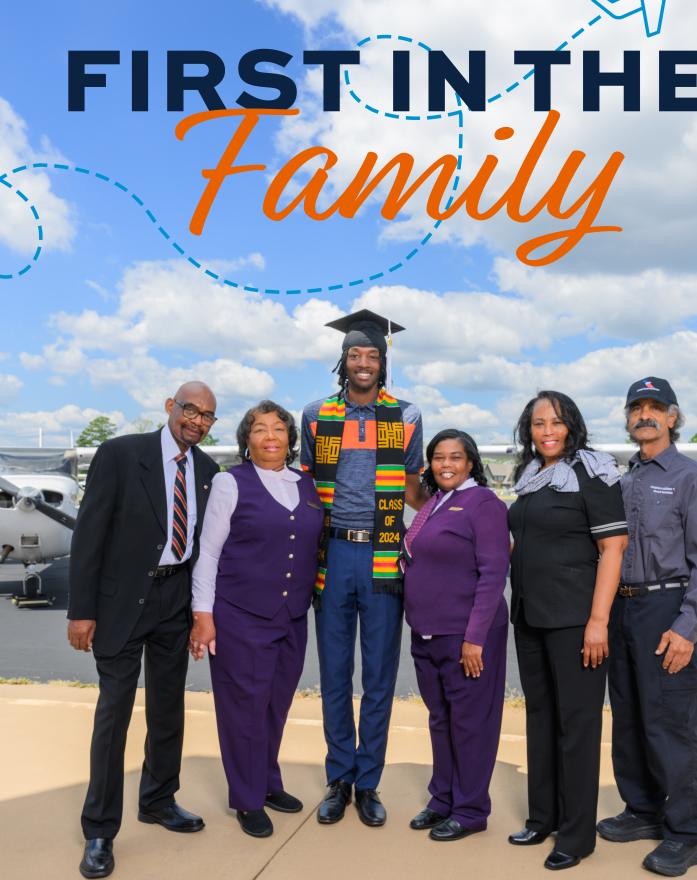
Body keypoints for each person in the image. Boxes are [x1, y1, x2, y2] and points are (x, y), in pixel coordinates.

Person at [67, 383, 221, 879]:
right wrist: (81, 610)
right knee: (114, 715)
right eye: (190, 410)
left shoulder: (208, 471)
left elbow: (203, 548)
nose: (197, 421)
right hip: (120, 604)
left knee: (168, 707)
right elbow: (89, 535)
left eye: (208, 417)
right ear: (170, 407)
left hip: (174, 601)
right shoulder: (119, 454)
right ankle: (99, 830)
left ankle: (158, 799)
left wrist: (201, 611)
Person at [300, 309, 427, 827]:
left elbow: (417, 488)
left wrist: (460, 515)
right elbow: (305, 489)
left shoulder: (408, 416)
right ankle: (339, 777)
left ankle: (368, 781)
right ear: (343, 360)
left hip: (383, 555)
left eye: (373, 355)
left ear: (384, 360)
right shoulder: (315, 415)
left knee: (378, 677)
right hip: (332, 556)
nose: (364, 363)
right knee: (334, 674)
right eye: (355, 354)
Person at [597, 378, 697, 877]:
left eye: (656, 408)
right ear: (628, 418)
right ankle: (643, 810)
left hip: (668, 608)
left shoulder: (693, 478)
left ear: (672, 417)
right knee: (628, 720)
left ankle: (687, 833)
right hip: (625, 609)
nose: (645, 415)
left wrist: (687, 628)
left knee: (671, 723)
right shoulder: (622, 481)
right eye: (637, 408)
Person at [187, 399, 324, 838]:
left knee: (274, 707)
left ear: (290, 437)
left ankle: (266, 784)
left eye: (279, 429)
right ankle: (247, 801)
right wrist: (202, 615)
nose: (270, 436)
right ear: (247, 439)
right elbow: (208, 553)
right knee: (243, 711)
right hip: (240, 615)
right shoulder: (231, 482)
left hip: (291, 616)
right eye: (260, 429)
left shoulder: (305, 483)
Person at [507, 391, 629, 871]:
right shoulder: (531, 474)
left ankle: (576, 836)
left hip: (576, 621)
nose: (547, 431)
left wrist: (598, 622)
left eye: (556, 422)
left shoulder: (592, 471)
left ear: (572, 425)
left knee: (576, 726)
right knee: (540, 718)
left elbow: (614, 548)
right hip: (530, 616)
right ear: (528, 431)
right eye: (538, 424)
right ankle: (544, 818)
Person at [403, 429, 511, 841]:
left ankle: (470, 810)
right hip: (427, 634)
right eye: (438, 457)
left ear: (470, 462)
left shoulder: (482, 503)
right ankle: (443, 798)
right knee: (441, 719)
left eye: (455, 457)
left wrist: (475, 638)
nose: (446, 464)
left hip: (465, 634)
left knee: (470, 724)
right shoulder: (435, 503)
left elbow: (492, 574)